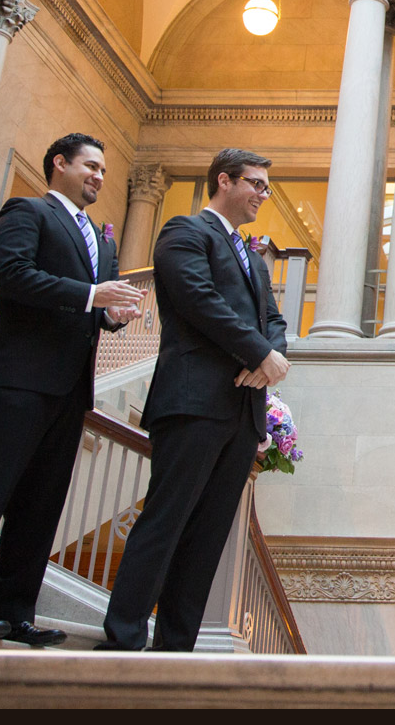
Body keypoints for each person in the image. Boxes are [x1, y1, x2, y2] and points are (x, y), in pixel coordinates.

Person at [0, 133, 145, 643]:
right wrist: (91, 294)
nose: (99, 176)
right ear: (59, 165)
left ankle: (14, 611)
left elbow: (97, 306)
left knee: (41, 505)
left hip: (72, 389)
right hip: (19, 377)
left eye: (102, 170)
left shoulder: (103, 239)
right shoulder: (27, 213)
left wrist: (112, 314)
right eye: (90, 166)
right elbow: (13, 275)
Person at [96, 148, 289, 651]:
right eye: (256, 184)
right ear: (223, 181)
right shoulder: (184, 233)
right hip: (192, 400)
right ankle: (122, 640)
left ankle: (175, 648)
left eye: (267, 187)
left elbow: (275, 322)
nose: (263, 195)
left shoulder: (253, 257)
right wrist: (257, 351)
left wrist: (270, 355)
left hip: (242, 413)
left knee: (207, 539)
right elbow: (196, 298)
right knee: (165, 521)